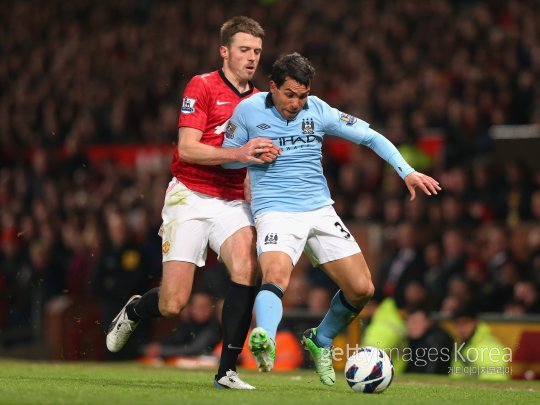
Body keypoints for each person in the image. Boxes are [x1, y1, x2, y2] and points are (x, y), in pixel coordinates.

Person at [222, 52, 441, 386]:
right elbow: (226, 159)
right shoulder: (247, 112)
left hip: (320, 210)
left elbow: (370, 136)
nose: (296, 103)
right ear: (273, 87)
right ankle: (264, 336)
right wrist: (247, 153)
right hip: (276, 212)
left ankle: (321, 339)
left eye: (303, 95)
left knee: (361, 288)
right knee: (276, 274)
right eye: (290, 95)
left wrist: (406, 171)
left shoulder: (319, 110)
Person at [105, 16, 281, 390]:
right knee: (173, 303)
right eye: (244, 50)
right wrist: (242, 152)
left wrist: (257, 173)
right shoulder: (201, 86)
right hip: (191, 195)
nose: (252, 58)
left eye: (257, 51)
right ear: (224, 51)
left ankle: (227, 371)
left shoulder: (262, 101)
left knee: (247, 269)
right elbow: (187, 148)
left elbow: (255, 157)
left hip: (232, 199)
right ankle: (137, 309)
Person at [450, 305, 510, 380]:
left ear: (475, 322)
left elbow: (493, 381)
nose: (461, 328)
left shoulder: (489, 347)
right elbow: (456, 377)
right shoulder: (460, 346)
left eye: (465, 322)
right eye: (457, 323)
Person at [405, 306, 453, 374]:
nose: (412, 326)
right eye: (409, 322)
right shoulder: (411, 340)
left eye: (416, 322)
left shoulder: (436, 339)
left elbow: (432, 371)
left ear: (428, 322)